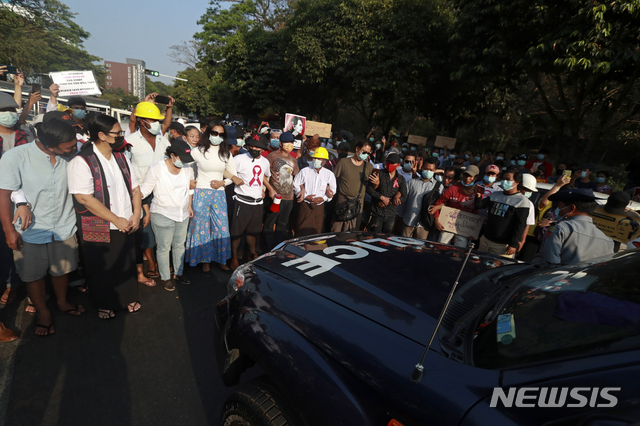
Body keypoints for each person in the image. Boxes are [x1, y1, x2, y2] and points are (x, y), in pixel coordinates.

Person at [0, 116, 84, 335]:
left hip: (64, 225)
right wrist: (9, 232)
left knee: (61, 269)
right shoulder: (16, 157)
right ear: (49, 145)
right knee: (33, 274)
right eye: (68, 148)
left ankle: (62, 302)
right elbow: (5, 194)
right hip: (31, 230)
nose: (73, 150)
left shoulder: (72, 156)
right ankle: (43, 312)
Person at [68, 114, 142, 319]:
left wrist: (136, 214)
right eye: (117, 133)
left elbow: (135, 188)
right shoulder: (82, 161)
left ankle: (127, 297)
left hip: (127, 220)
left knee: (125, 261)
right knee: (101, 266)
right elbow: (84, 198)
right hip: (99, 223)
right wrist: (114, 219)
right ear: (101, 135)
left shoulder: (121, 156)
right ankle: (105, 302)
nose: (121, 136)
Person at [186, 122, 241, 274]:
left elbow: (232, 175)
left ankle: (221, 259)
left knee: (221, 228)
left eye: (220, 134)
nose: (217, 137)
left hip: (219, 193)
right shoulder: (198, 151)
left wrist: (223, 182)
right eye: (214, 133)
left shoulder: (226, 154)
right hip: (201, 192)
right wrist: (190, 181)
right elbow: (187, 168)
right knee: (201, 227)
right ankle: (204, 261)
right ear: (209, 133)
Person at [125, 101, 170, 285]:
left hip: (162, 192)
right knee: (145, 229)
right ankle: (150, 262)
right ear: (142, 121)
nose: (156, 123)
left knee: (162, 228)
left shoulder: (163, 140)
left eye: (157, 120)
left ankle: (160, 260)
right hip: (141, 193)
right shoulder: (131, 142)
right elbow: (127, 170)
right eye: (152, 120)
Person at [140, 139, 195, 291]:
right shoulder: (156, 169)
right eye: (181, 159)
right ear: (172, 155)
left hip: (182, 214)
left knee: (179, 245)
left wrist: (189, 205)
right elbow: (145, 190)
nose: (183, 162)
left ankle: (178, 272)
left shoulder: (187, 168)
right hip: (162, 213)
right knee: (164, 248)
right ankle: (165, 277)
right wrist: (134, 194)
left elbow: (190, 188)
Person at [532, 189, 614, 266]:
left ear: (572, 208)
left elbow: (549, 263)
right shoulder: (607, 240)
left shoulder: (560, 229)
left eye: (559, 206)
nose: (558, 209)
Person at [229, 135, 275, 270]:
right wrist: (233, 179)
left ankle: (252, 253)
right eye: (252, 146)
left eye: (258, 147)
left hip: (257, 202)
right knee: (236, 232)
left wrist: (268, 189)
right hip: (242, 200)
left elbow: (264, 177)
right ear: (248, 146)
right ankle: (234, 257)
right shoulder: (239, 159)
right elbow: (228, 172)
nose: (254, 149)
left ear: (262, 149)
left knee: (253, 232)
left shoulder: (265, 162)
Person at [475, 168, 530, 257]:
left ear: (517, 182)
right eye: (503, 179)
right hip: (486, 239)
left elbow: (520, 225)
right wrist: (478, 195)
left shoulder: (522, 201)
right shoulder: (495, 195)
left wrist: (513, 244)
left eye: (508, 180)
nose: (504, 182)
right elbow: (479, 206)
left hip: (503, 245)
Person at [264, 132, 299, 249]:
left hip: (289, 198)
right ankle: (267, 248)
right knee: (269, 223)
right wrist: (270, 189)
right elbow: (263, 175)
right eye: (286, 143)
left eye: (291, 143)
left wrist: (301, 190)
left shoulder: (293, 160)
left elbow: (297, 177)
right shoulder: (272, 156)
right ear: (280, 143)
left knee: (282, 225)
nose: (289, 145)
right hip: (275, 197)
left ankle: (277, 248)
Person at [430, 165, 480, 248]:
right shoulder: (452, 188)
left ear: (476, 178)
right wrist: (436, 220)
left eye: (470, 176)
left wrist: (473, 231)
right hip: (447, 225)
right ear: (463, 175)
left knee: (459, 251)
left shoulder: (476, 194)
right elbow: (439, 203)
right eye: (466, 175)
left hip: (463, 229)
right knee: (441, 247)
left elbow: (475, 213)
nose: (467, 178)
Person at [331, 141, 374, 232]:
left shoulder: (369, 167)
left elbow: (372, 187)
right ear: (357, 149)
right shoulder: (343, 162)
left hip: (358, 203)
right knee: (337, 229)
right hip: (342, 201)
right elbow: (332, 180)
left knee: (352, 231)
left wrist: (377, 183)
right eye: (364, 151)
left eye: (368, 153)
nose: (365, 154)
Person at [293, 147, 336, 237]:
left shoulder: (329, 174)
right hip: (305, 205)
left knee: (315, 233)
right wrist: (304, 196)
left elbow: (333, 190)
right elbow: (295, 184)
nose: (316, 160)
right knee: (300, 231)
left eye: (319, 158)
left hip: (319, 207)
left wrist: (323, 198)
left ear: (324, 161)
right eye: (314, 158)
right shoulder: (305, 171)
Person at [401, 157, 442, 239]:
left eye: (430, 169)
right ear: (422, 168)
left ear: (434, 170)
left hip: (424, 224)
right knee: (402, 246)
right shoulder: (412, 182)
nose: (428, 171)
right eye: (426, 168)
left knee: (418, 248)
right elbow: (403, 199)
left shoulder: (439, 186)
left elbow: (442, 203)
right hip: (408, 220)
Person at [366, 153, 407, 233]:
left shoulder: (401, 179)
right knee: (372, 236)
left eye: (392, 163)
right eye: (388, 162)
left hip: (391, 214)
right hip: (377, 212)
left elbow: (404, 196)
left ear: (398, 165)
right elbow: (369, 189)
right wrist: (381, 197)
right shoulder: (379, 174)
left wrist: (394, 199)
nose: (389, 164)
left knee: (386, 239)